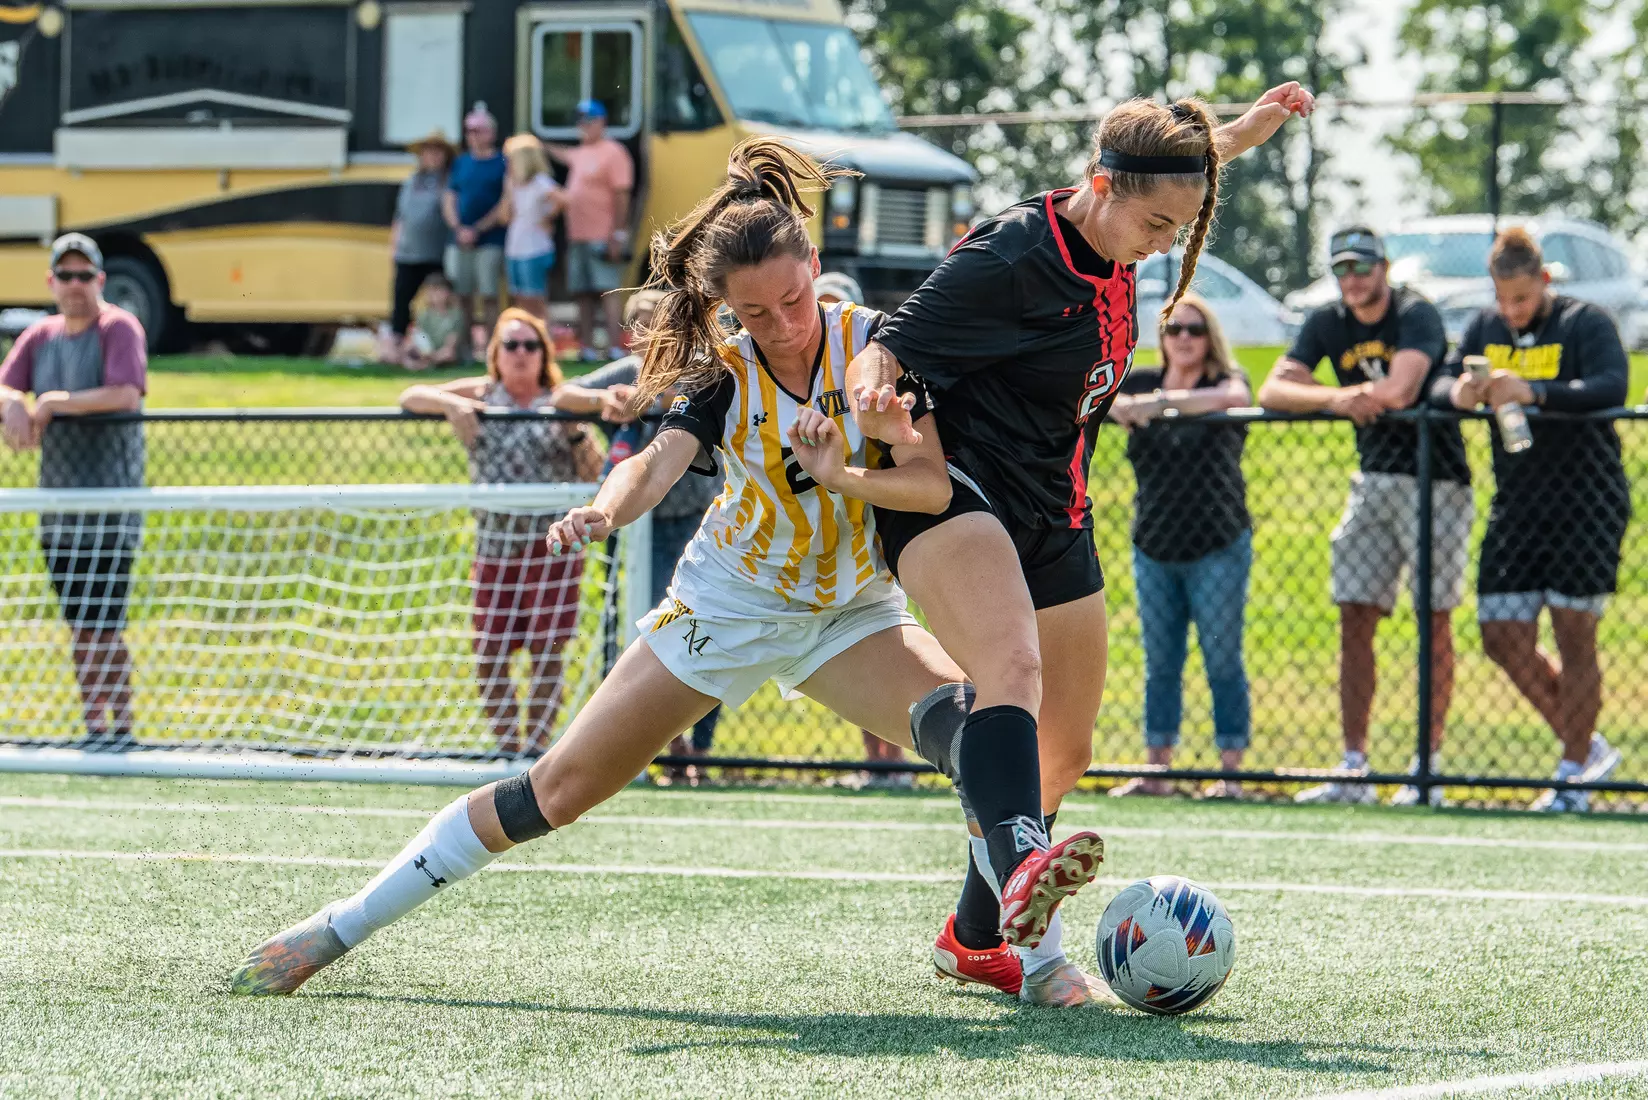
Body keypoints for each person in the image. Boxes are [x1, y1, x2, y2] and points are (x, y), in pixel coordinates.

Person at [230, 139, 1104, 1002]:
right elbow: (653, 463)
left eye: (793, 301)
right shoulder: (723, 375)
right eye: (755, 314)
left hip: (850, 614)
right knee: (555, 793)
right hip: (726, 607)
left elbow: (922, 483)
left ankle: (1031, 953)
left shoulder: (880, 349)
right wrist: (605, 511)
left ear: (814, 263)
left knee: (983, 727)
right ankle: (337, 926)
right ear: (727, 309)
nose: (783, 325)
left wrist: (846, 471)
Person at [847, 86, 1313, 1004]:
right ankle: (1029, 886)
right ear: (1100, 185)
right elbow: (889, 341)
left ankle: (975, 936)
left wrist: (1248, 132)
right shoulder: (1014, 255)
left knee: (1064, 750)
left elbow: (1176, 160)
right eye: (1154, 223)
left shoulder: (1127, 206)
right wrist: (868, 392)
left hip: (1054, 507)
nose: (1163, 242)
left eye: (1180, 227)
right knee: (1011, 672)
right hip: (949, 494)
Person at [1258, 226, 1473, 807]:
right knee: (1354, 615)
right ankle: (1353, 765)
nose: (1353, 280)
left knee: (1434, 620)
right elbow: (1273, 388)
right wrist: (1335, 398)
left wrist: (1344, 392)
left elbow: (1401, 391)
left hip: (1437, 481)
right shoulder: (1328, 321)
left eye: (1362, 267)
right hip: (1373, 480)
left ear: (1384, 267)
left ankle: (1423, 770)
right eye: (1342, 269)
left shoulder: (1415, 312)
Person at [1437, 227, 1629, 813]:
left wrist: (1535, 391)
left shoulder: (1584, 321)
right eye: (1502, 298)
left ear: (1544, 281)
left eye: (1520, 298)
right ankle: (1589, 748)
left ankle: (1572, 773)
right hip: (1516, 503)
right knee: (1501, 634)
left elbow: (1610, 385)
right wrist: (1463, 394)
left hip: (1587, 500)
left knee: (1575, 633)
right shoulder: (1486, 328)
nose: (1510, 310)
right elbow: (1443, 381)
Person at [399, 309, 601, 755]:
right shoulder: (483, 395)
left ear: (544, 353)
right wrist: (450, 404)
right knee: (491, 653)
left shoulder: (561, 400)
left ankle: (537, 751)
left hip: (552, 550)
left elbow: (596, 475)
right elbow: (411, 394)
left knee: (547, 654)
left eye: (531, 346)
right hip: (495, 546)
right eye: (511, 345)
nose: (521, 354)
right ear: (496, 354)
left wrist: (575, 435)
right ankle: (508, 747)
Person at [553, 288, 725, 780]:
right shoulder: (626, 374)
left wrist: (654, 399)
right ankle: (660, 750)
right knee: (643, 635)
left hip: (698, 525)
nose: (657, 334)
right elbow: (561, 394)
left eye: (665, 322)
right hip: (635, 528)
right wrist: (603, 400)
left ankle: (698, 752)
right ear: (634, 334)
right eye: (646, 324)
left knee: (703, 636)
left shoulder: (700, 374)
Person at [0, 234, 147, 750]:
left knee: (106, 624)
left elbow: (124, 392)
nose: (76, 285)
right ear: (51, 282)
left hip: (111, 506)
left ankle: (123, 728)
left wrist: (56, 401)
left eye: (85, 276)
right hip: (59, 510)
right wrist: (15, 402)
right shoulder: (40, 336)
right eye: (66, 276)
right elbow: (5, 383)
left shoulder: (119, 327)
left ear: (100, 281)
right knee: (80, 626)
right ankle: (94, 727)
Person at [1106, 294, 1253, 800]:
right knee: (1160, 660)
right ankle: (1156, 769)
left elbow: (1234, 399)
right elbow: (1101, 399)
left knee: (1222, 658)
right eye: (1173, 330)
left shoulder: (1225, 381)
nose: (1183, 339)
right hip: (1154, 541)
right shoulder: (1141, 381)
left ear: (1209, 336)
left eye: (1193, 329)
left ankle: (1230, 771)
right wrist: (1130, 404)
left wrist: (1161, 407)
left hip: (1218, 542)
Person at [811, 271, 910, 789]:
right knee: (850, 661)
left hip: (872, 527)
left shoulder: (874, 372)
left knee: (884, 640)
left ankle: (894, 763)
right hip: (813, 541)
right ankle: (876, 760)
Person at [544, 100, 634, 361]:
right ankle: (587, 348)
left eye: (589, 120)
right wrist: (536, 144)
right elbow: (560, 153)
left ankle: (616, 347)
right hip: (577, 235)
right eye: (580, 120)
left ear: (602, 122)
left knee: (608, 291)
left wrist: (618, 234)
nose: (583, 125)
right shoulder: (580, 152)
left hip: (603, 234)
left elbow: (622, 195)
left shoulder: (613, 152)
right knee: (582, 292)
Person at [443, 103, 508, 355]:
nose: (472, 135)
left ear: (491, 133)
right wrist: (458, 228)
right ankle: (464, 349)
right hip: (458, 240)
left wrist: (478, 229)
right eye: (469, 130)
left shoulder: (502, 162)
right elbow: (449, 198)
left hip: (490, 239)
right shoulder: (460, 162)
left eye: (478, 130)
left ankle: (493, 350)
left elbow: (505, 202)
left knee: (490, 295)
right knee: (461, 295)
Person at [389, 131, 455, 360]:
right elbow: (400, 216)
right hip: (407, 252)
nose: (433, 156)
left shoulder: (448, 180)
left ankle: (441, 348)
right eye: (428, 152)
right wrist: (394, 246)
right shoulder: (411, 181)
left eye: (438, 152)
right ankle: (397, 347)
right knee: (401, 301)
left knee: (439, 303)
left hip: (436, 253)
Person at [500, 134, 565, 321]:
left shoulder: (540, 182)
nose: (508, 163)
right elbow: (505, 217)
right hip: (515, 248)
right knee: (519, 300)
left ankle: (545, 339)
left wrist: (547, 217)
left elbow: (563, 200)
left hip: (535, 248)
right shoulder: (512, 183)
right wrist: (508, 191)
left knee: (535, 300)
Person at [402, 272, 465, 370]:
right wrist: (420, 348)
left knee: (448, 354)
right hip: (427, 349)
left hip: (444, 351)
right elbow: (419, 334)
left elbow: (451, 343)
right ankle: (427, 363)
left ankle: (426, 363)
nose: (434, 295)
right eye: (430, 291)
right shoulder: (424, 314)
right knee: (407, 350)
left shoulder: (455, 315)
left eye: (437, 290)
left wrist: (433, 355)